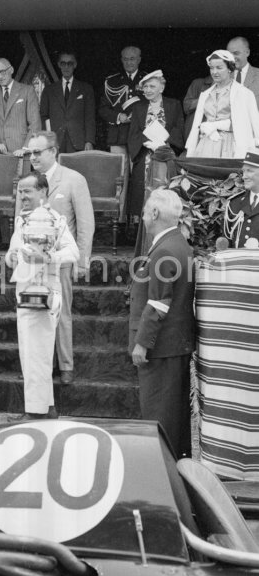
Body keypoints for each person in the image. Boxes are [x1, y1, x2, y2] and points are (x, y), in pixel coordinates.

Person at [21, 131, 94, 384]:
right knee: (35, 313)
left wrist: (82, 262)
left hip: (61, 261)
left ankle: (65, 366)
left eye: (38, 152)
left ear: (53, 152)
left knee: (61, 313)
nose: (33, 157)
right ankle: (43, 365)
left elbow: (86, 223)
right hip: (32, 266)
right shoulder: (28, 182)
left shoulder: (74, 180)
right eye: (31, 152)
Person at [6, 173, 79, 422]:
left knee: (37, 352)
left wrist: (49, 258)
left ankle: (35, 412)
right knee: (30, 351)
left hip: (45, 292)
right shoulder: (21, 221)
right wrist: (12, 258)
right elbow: (11, 253)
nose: (23, 196)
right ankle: (46, 407)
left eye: (28, 191)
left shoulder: (55, 220)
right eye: (20, 191)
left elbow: (72, 252)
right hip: (25, 290)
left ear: (43, 192)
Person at [129, 188, 195, 460]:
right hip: (173, 345)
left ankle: (162, 470)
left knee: (159, 415)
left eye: (145, 211)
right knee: (174, 416)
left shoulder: (164, 250)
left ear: (154, 213)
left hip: (160, 346)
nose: (143, 216)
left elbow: (158, 304)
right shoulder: (179, 244)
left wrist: (142, 343)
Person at [127, 70, 184, 220]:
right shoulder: (138, 107)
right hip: (145, 155)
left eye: (152, 86)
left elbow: (179, 129)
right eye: (145, 87)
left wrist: (163, 143)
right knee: (143, 195)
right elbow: (133, 134)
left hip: (166, 155)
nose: (148, 90)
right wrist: (147, 141)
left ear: (161, 88)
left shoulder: (174, 105)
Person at [185, 50, 259, 159]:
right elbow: (197, 124)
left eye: (219, 68)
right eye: (211, 68)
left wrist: (217, 125)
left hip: (231, 145)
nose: (214, 72)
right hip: (207, 144)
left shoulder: (244, 93)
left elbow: (253, 125)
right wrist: (205, 127)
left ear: (229, 68)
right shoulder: (205, 94)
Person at [0, 58, 40, 155]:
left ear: (11, 70)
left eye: (3, 71)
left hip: (22, 153)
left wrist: (26, 148)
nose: (0, 76)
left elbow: (35, 124)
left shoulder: (28, 91)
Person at [39, 51, 95, 153]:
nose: (66, 67)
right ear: (59, 65)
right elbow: (44, 117)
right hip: (55, 143)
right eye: (63, 63)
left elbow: (90, 118)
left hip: (79, 143)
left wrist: (89, 141)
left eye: (70, 63)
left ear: (75, 65)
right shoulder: (49, 90)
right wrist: (48, 140)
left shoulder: (86, 89)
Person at [99, 46, 146, 156]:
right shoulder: (112, 81)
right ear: (121, 60)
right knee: (119, 171)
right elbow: (103, 109)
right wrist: (118, 116)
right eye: (125, 59)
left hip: (141, 135)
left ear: (139, 60)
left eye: (132, 59)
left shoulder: (147, 79)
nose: (129, 62)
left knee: (139, 172)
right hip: (118, 136)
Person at [224, 150, 259, 247]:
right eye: (243, 171)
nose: (244, 176)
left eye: (249, 171)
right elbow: (228, 244)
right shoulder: (234, 203)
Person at [227, 36, 259, 106]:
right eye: (229, 54)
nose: (232, 58)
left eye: (236, 53)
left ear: (247, 52)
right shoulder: (223, 76)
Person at [182, 74, 213, 138]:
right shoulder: (198, 83)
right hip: (197, 134)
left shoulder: (232, 86)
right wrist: (205, 97)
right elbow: (187, 107)